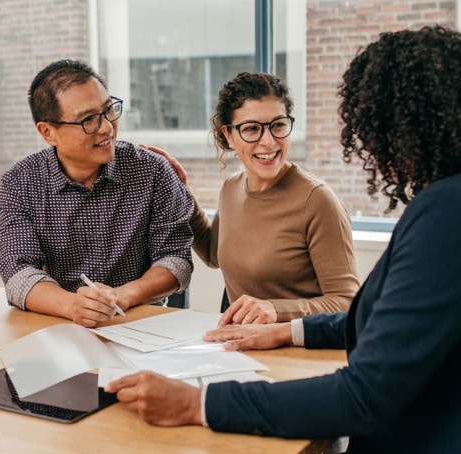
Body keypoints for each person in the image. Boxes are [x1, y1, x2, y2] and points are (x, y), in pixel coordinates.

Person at [105, 26, 461, 454]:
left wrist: (198, 404)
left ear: (404, 128)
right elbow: (386, 321)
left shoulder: (459, 214)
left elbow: (365, 394)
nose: (375, 152)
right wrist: (287, 331)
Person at [150, 71, 360, 326]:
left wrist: (275, 309)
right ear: (228, 134)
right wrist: (182, 191)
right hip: (244, 344)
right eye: (252, 129)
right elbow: (213, 254)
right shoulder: (231, 188)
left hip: (299, 353)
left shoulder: (318, 201)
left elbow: (347, 303)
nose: (269, 141)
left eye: (278, 125)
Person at [0, 59, 194, 327]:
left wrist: (122, 296)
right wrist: (72, 305)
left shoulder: (153, 170)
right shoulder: (20, 182)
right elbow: (18, 272)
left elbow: (176, 261)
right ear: (48, 132)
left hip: (140, 322)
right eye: (88, 119)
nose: (106, 127)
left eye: (108, 110)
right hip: (58, 323)